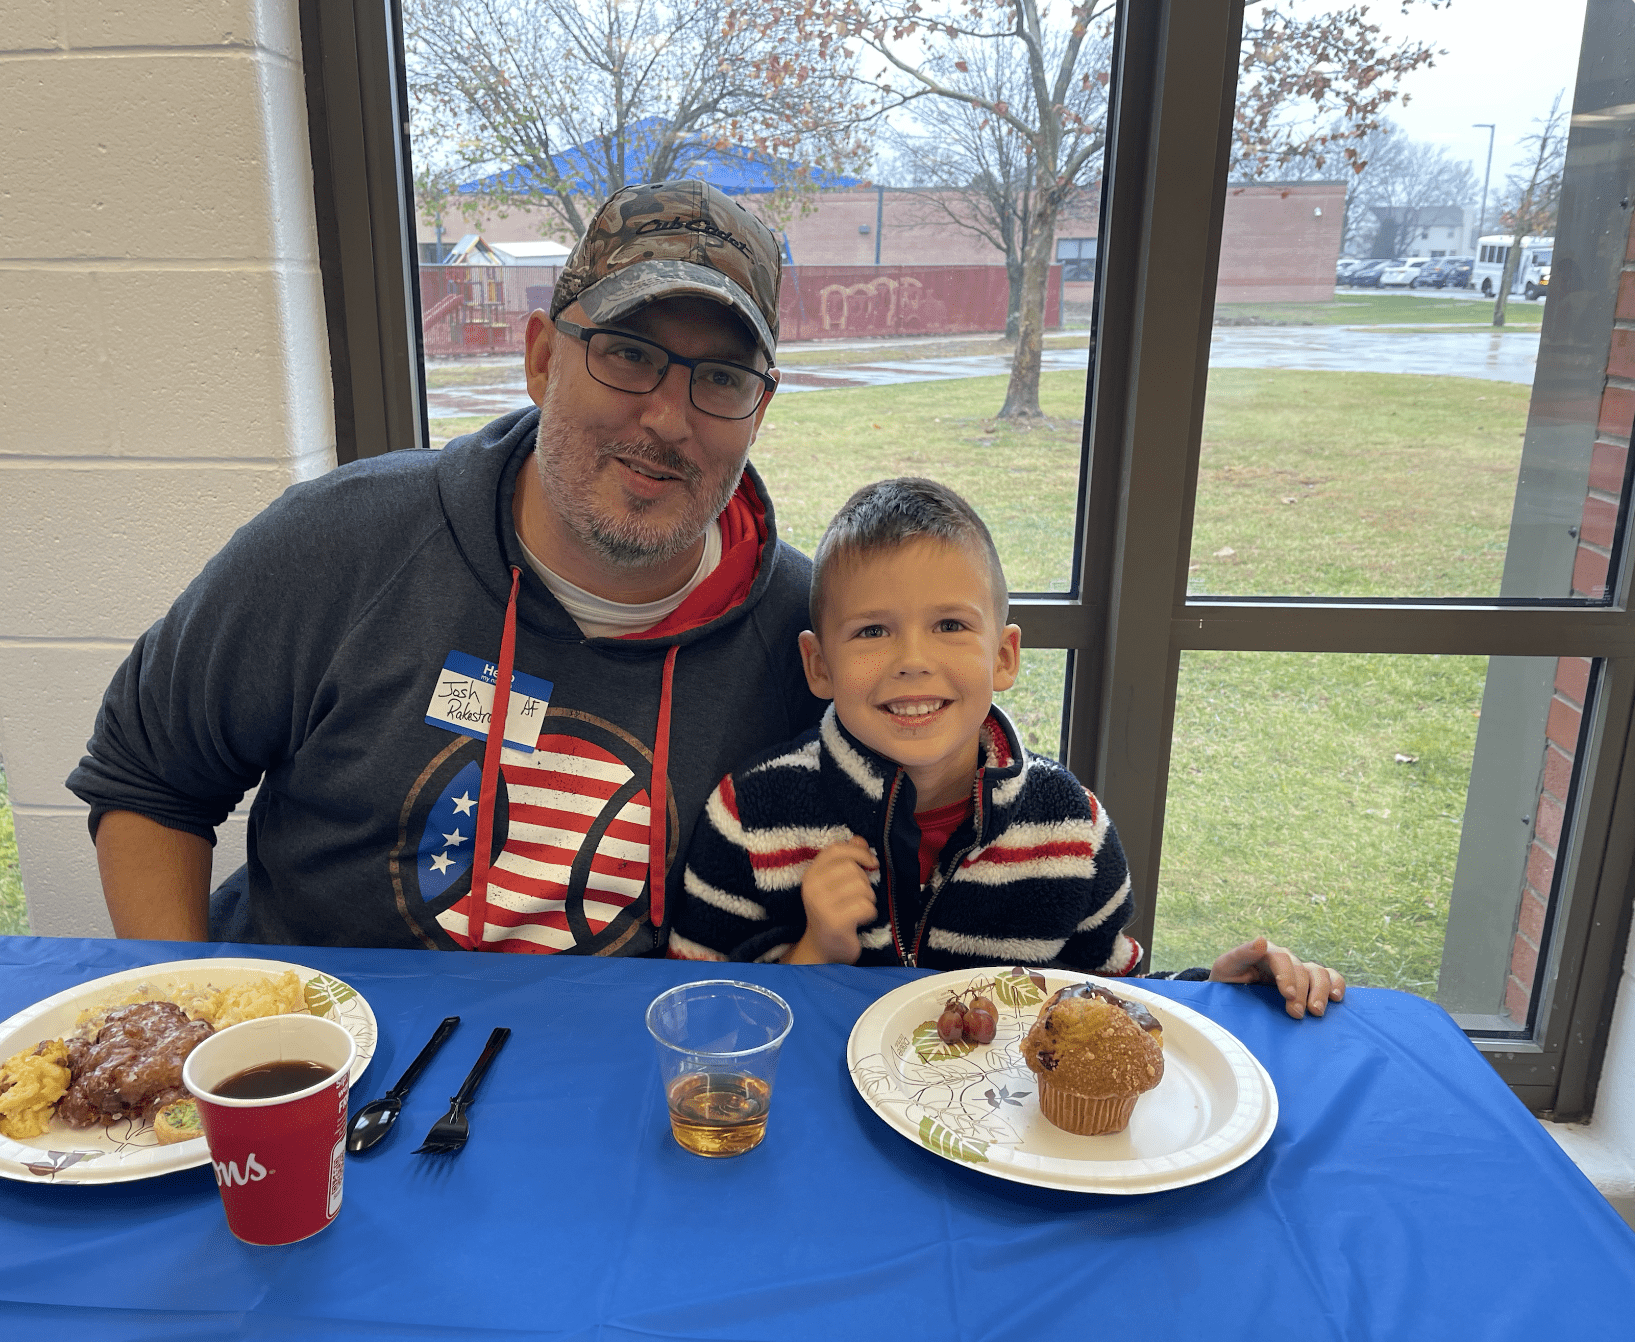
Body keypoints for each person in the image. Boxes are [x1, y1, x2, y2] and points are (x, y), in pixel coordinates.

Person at [66, 180, 824, 953]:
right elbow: (150, 775)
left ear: (759, 411)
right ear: (540, 358)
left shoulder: (810, 637)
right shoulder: (340, 544)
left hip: (620, 1063)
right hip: (316, 1051)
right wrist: (185, 1014)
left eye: (722, 378)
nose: (667, 418)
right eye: (628, 354)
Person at [668, 477, 1345, 1017]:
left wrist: (1214, 990)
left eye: (950, 625)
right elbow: (692, 1015)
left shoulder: (1071, 832)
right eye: (873, 631)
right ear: (819, 667)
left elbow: (1112, 1004)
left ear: (1004, 655)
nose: (913, 661)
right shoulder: (750, 816)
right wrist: (817, 951)